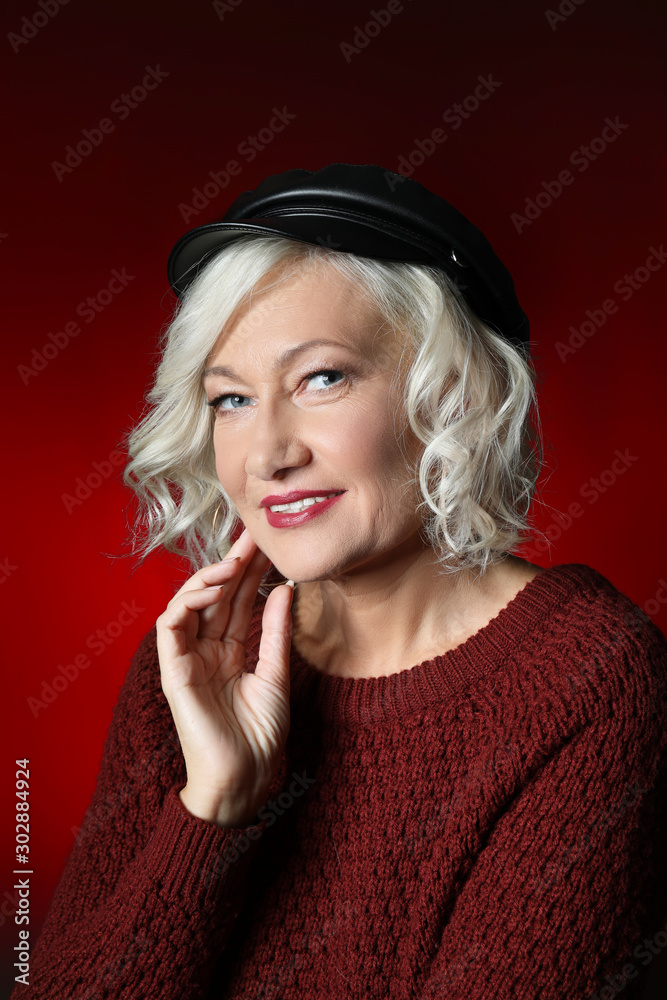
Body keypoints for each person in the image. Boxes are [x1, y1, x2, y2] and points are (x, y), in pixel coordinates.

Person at [16, 163, 666, 1000]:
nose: (267, 454)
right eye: (231, 400)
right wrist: (211, 810)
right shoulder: (198, 667)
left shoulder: (590, 681)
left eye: (322, 379)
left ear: (450, 395)